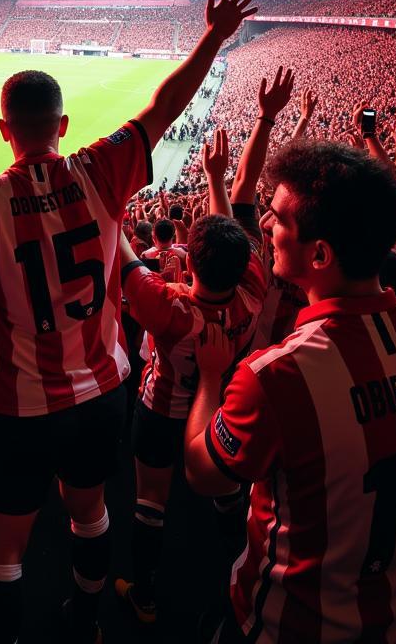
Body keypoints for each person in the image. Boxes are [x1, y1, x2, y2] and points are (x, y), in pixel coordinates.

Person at [0, 0, 258, 644]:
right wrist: (213, 36)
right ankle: (88, 623)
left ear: (4, 130)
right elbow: (163, 106)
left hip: (16, 404)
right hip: (101, 389)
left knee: (3, 550)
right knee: (91, 515)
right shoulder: (102, 171)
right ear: (64, 127)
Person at [184, 141, 396, 642]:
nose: (267, 229)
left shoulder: (277, 376)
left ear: (319, 253)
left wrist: (211, 376)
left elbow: (205, 474)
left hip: (292, 624)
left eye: (277, 220)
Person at [115, 128, 264, 625]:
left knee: (148, 501)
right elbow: (238, 236)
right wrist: (217, 181)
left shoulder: (167, 307)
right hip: (219, 409)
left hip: (160, 412)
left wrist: (108, 200)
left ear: (188, 259)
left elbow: (126, 257)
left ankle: (145, 594)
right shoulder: (253, 292)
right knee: (226, 492)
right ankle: (239, 566)